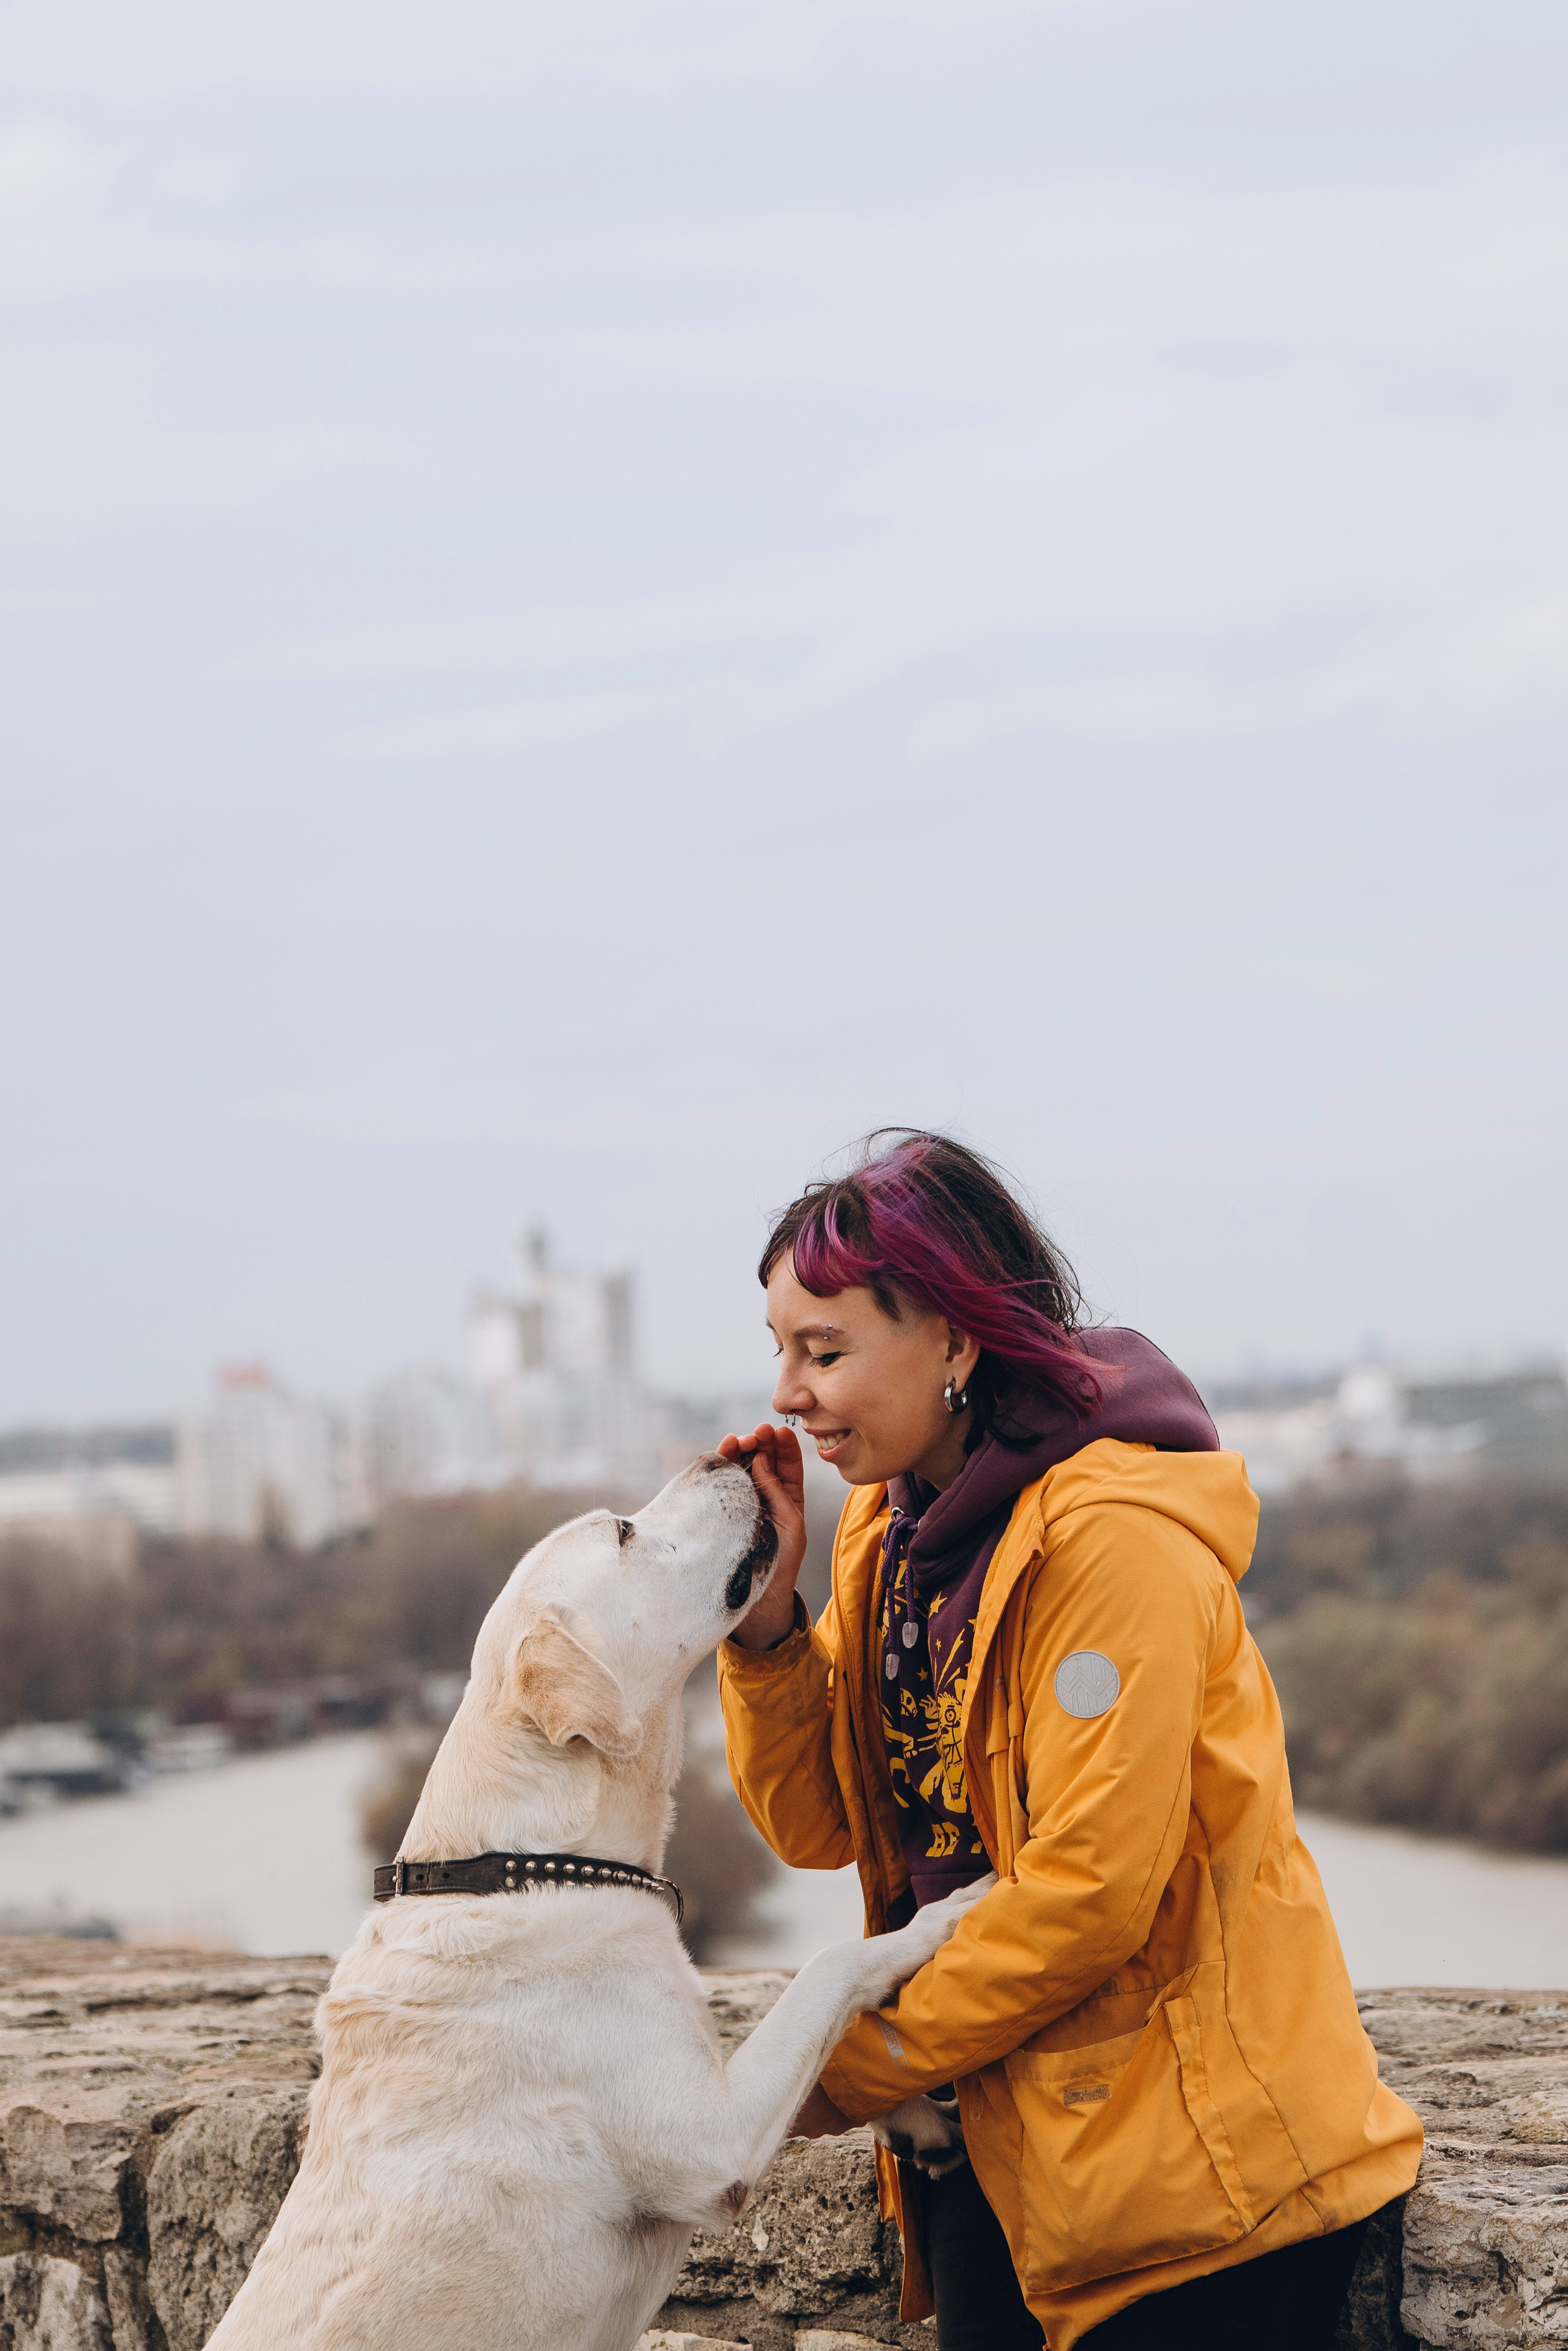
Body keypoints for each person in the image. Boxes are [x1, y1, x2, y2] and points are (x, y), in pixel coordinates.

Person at [717, 1131, 1422, 2351]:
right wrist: (769, 1624)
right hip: (1004, 2153)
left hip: (1200, 2192)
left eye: (822, 1350)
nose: (786, 1392)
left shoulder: (1107, 1540)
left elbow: (1089, 1893)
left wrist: (828, 2069)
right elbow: (820, 1825)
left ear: (951, 1335)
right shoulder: (883, 1535)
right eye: (780, 1349)